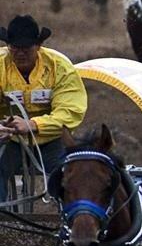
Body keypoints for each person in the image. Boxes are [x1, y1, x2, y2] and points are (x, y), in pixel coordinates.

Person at [0, 15, 87, 202]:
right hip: (10, 139)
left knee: (72, 175)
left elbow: (70, 111)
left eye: (26, 48)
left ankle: (71, 221)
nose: (20, 54)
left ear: (38, 46)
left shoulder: (60, 66)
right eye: (15, 48)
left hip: (51, 139)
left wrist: (32, 124)